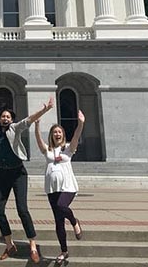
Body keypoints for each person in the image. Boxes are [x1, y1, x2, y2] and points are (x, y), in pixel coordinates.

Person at [0, 80, 52, 264]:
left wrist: (45, 110)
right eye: (3, 116)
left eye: (8, 117)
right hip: (2, 173)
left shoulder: (15, 128)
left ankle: (33, 246)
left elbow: (28, 120)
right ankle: (9, 244)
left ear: (11, 119)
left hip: (18, 173)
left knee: (22, 209)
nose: (5, 118)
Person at [35, 101, 85, 264]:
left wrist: (80, 124)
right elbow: (39, 142)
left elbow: (76, 136)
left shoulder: (68, 149)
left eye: (59, 132)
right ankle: (64, 251)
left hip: (68, 186)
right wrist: (37, 126)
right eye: (54, 132)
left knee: (62, 207)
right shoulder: (48, 150)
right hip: (52, 188)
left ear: (63, 135)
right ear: (52, 135)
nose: (57, 134)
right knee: (58, 221)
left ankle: (74, 221)